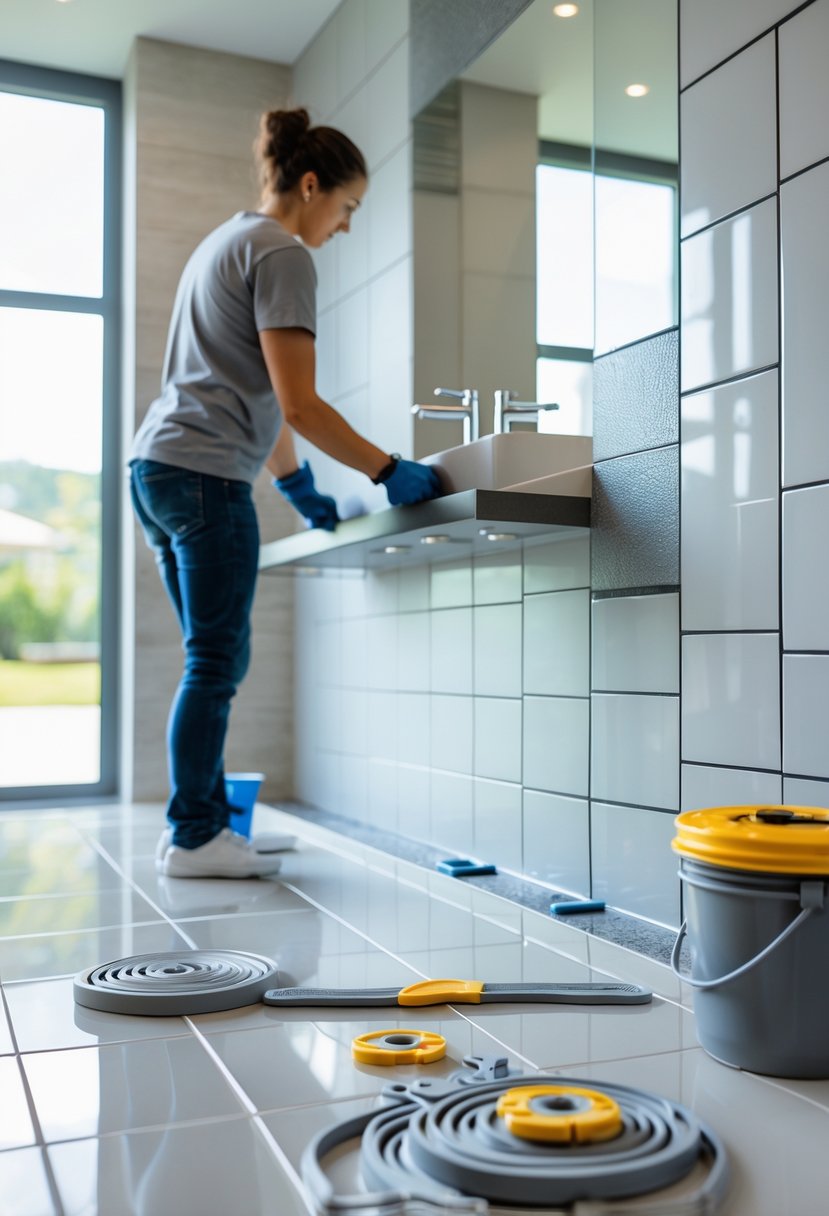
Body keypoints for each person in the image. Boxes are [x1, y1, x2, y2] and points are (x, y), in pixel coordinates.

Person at [129, 107, 441, 879]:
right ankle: (195, 837)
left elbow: (256, 395)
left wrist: (297, 485)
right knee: (215, 662)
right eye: (347, 206)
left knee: (209, 661)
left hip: (157, 469)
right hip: (204, 476)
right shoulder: (282, 253)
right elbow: (299, 403)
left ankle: (197, 829)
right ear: (309, 185)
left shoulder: (224, 241)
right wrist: (386, 468)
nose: (345, 226)